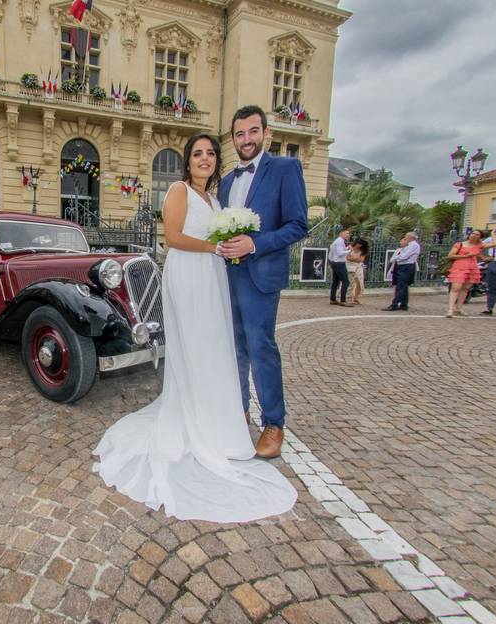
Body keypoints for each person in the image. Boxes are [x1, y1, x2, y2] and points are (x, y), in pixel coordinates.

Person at [93, 132, 297, 523]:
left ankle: (216, 419)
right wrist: (213, 248)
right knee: (196, 347)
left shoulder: (216, 200)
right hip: (188, 275)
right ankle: (194, 420)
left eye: (209, 154)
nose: (203, 159)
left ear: (215, 162)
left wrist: (222, 249)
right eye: (196, 154)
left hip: (212, 276)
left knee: (213, 349)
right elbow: (171, 238)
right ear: (187, 162)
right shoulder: (179, 190)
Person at [218, 105, 308, 458]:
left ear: (265, 133)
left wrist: (255, 243)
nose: (246, 140)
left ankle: (273, 423)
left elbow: (297, 225)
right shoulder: (226, 182)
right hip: (229, 275)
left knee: (261, 347)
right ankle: (239, 411)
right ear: (233, 139)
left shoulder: (285, 169)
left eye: (253, 132)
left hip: (261, 276)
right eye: (240, 134)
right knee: (234, 348)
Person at [445, 230, 493, 317]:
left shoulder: (478, 246)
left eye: (477, 234)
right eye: (473, 233)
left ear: (480, 237)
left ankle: (459, 308)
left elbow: (495, 244)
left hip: (472, 267)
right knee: (456, 288)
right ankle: (450, 309)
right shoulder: (460, 244)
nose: (474, 235)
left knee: (465, 289)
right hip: (460, 266)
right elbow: (450, 255)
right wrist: (465, 256)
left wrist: (493, 234)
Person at [382, 232, 421, 311]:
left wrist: (396, 258)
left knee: (401, 286)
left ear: (411, 237)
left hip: (406, 266)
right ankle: (404, 304)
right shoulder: (410, 245)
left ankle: (395, 304)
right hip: (404, 266)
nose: (405, 238)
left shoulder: (413, 245)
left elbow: (404, 256)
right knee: (404, 286)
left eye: (406, 237)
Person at [328, 228, 352, 307]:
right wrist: (349, 251)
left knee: (335, 282)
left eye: (348, 233)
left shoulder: (339, 241)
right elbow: (340, 253)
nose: (348, 235)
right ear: (341, 233)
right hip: (339, 263)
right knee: (346, 281)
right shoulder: (339, 241)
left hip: (335, 262)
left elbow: (334, 250)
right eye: (346, 233)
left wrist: (346, 248)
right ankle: (343, 300)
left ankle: (333, 299)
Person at [346, 239, 369, 305]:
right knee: (351, 282)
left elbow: (361, 260)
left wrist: (353, 258)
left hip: (358, 267)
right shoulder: (349, 248)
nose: (359, 245)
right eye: (358, 243)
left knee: (360, 282)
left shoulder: (362, 251)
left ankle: (356, 297)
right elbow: (348, 258)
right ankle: (349, 298)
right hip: (350, 267)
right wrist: (355, 259)